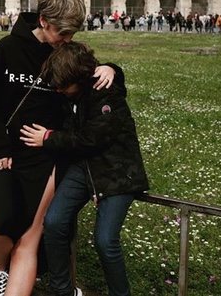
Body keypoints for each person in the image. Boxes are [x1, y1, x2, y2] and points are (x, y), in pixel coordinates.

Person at [0, 0, 116, 296]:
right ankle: (1, 269)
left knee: (29, 233)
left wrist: (112, 69)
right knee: (2, 221)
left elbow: (92, 81)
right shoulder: (8, 48)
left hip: (46, 153)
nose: (67, 39)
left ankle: (17, 273)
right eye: (62, 32)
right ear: (43, 21)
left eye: (72, 33)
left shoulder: (65, 53)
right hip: (6, 150)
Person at [20, 41, 149, 296]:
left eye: (63, 86)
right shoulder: (73, 89)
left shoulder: (105, 91)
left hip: (117, 171)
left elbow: (91, 139)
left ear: (80, 78)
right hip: (85, 166)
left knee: (105, 241)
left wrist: (47, 138)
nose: (58, 91)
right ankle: (63, 290)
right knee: (54, 222)